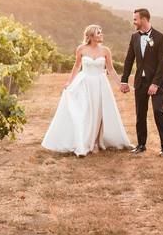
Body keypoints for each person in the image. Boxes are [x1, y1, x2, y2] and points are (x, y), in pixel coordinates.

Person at [41, 24, 134, 156]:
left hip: (100, 83)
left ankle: (96, 142)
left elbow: (111, 69)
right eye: (98, 33)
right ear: (90, 36)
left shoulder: (106, 51)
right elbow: (76, 67)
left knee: (99, 112)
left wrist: (120, 84)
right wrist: (69, 82)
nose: (101, 34)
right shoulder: (81, 49)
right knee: (85, 112)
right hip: (84, 82)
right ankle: (83, 141)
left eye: (101, 32)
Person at [120, 8, 163, 155]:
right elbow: (129, 60)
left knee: (158, 112)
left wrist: (155, 83)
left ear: (144, 19)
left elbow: (162, 63)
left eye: (135, 19)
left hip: (157, 82)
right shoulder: (134, 37)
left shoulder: (160, 38)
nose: (133, 21)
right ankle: (141, 144)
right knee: (140, 114)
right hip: (140, 83)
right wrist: (124, 80)